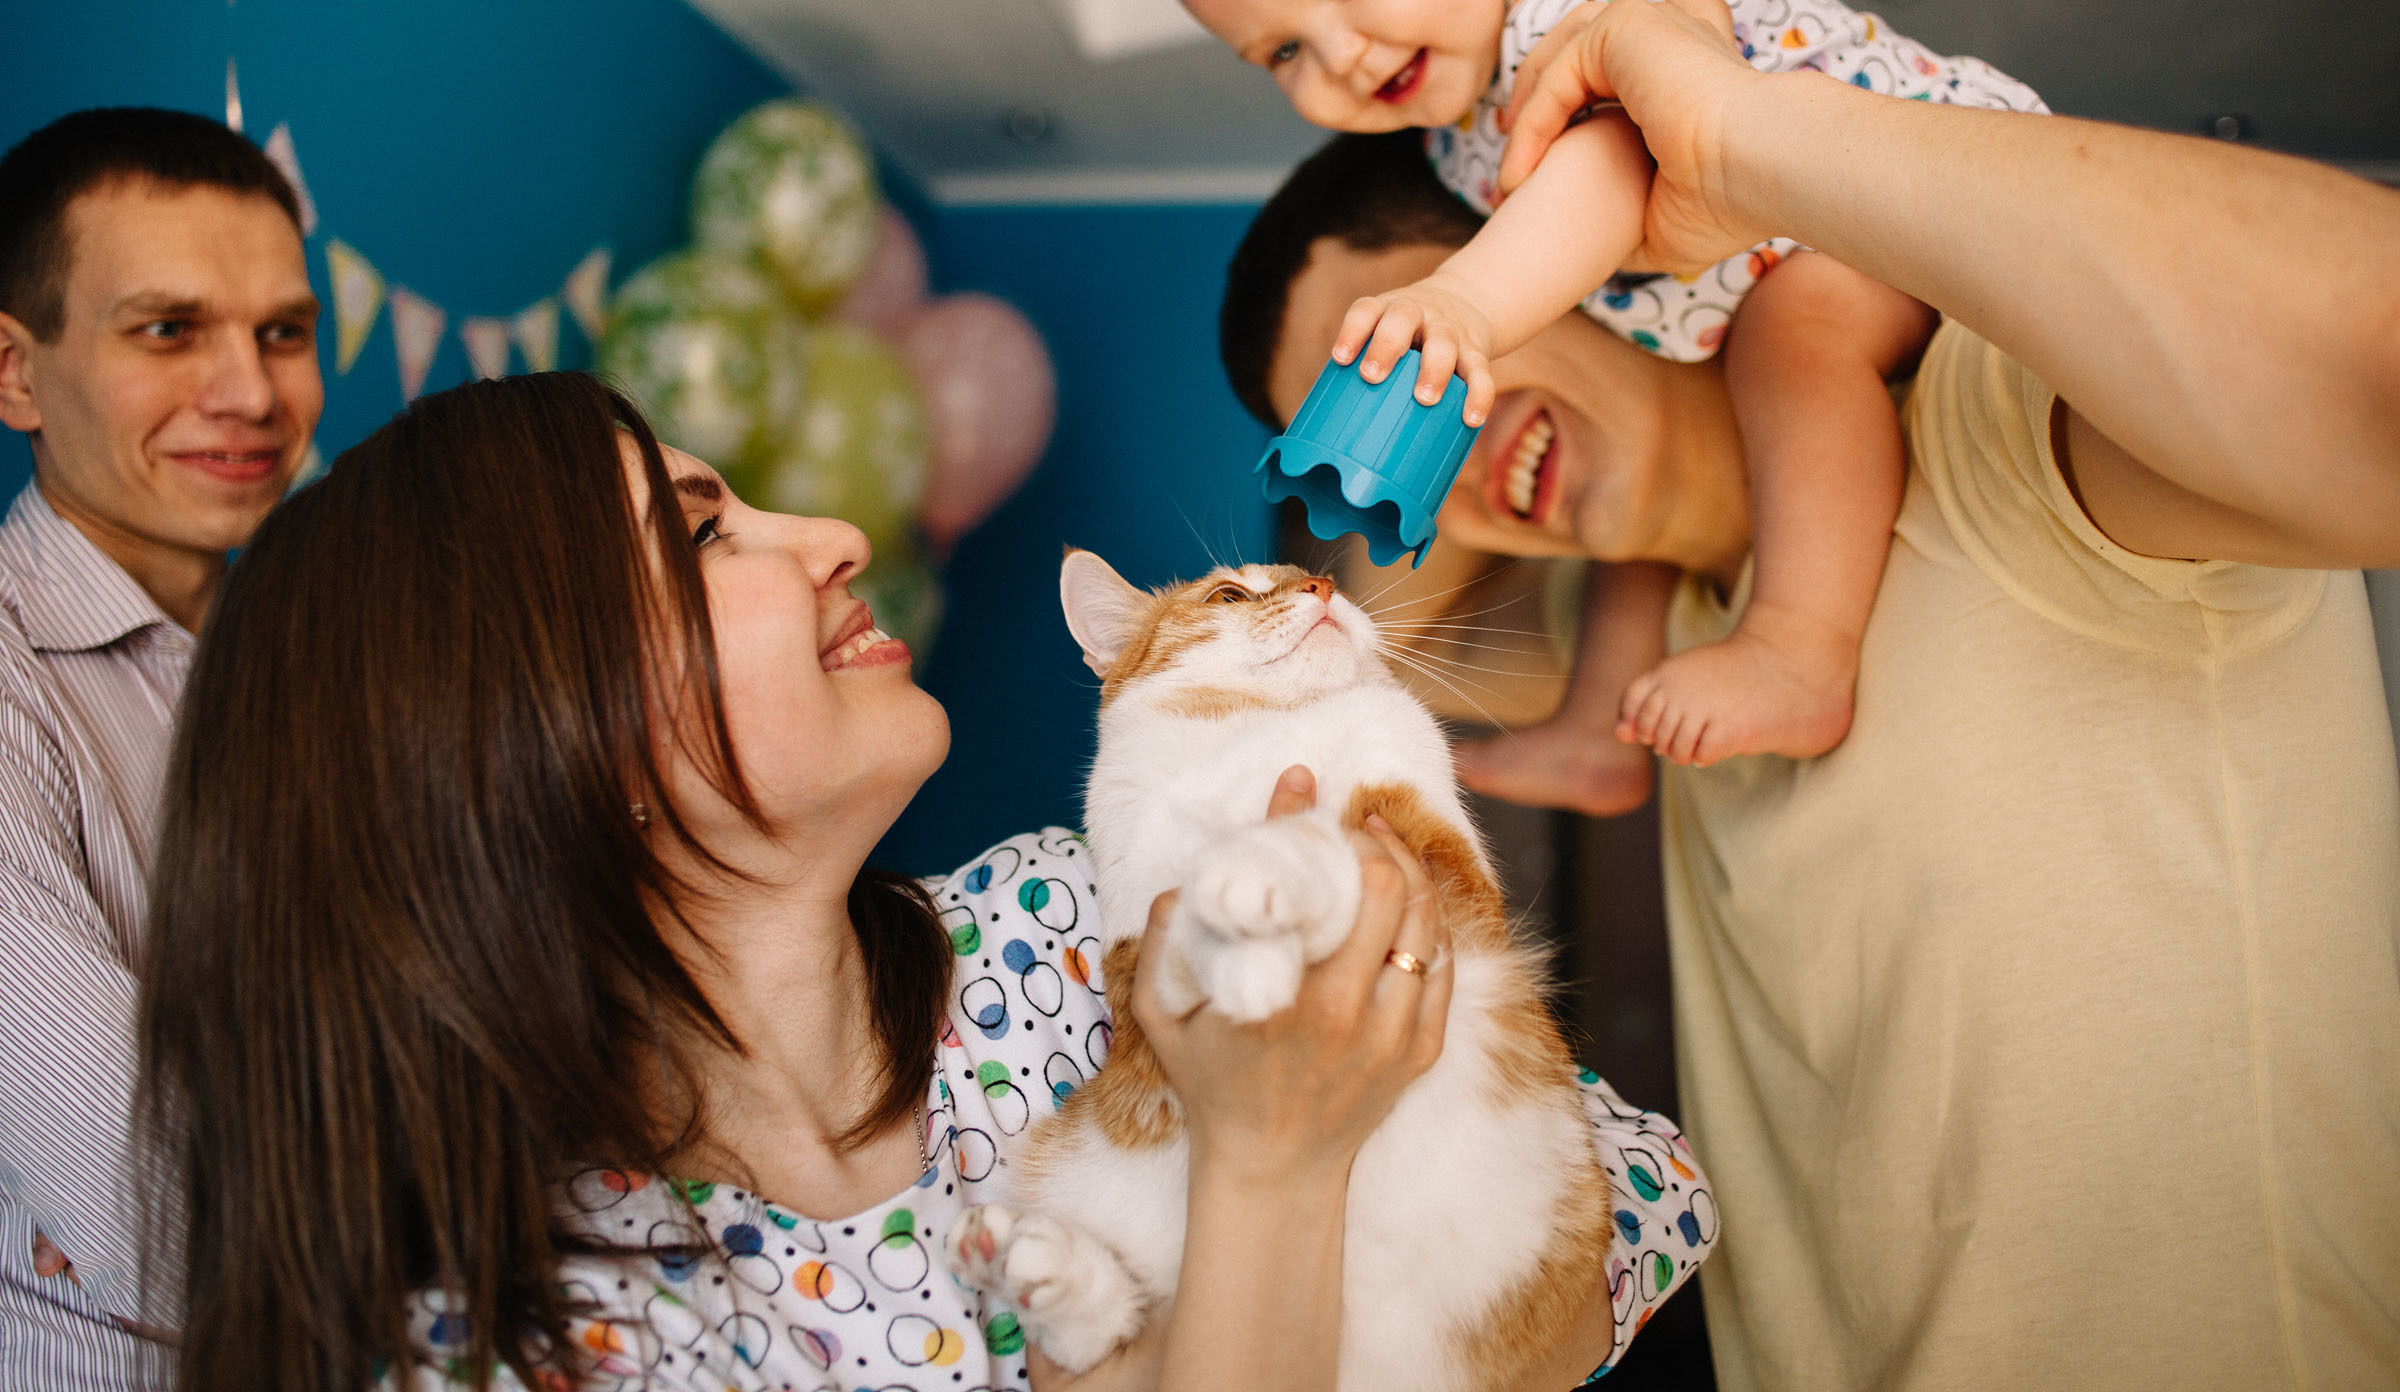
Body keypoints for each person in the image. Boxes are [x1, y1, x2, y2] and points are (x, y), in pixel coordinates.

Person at [1220, 0, 2400, 1388]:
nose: (1434, 419)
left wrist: (1734, 137)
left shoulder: (1999, 426)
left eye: (1425, 334)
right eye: (1374, 414)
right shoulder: (1700, 644)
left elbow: (2374, 361)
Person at [135, 371, 1634, 1391]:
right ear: (528, 735)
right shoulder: (525, 1346)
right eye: (704, 532)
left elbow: (1613, 1222)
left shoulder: (1066, 921)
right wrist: (1272, 1165)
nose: (841, 538)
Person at [1153, 0, 2048, 806]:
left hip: (1890, 209)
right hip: (1753, 267)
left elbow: (1620, 164)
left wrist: (1466, 306)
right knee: (1641, 522)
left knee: (1789, 337)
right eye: (1283, 51)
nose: (1340, 55)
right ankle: (1595, 726)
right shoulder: (1455, 126)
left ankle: (1802, 643)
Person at [0, 106, 321, 1385]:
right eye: (167, 329)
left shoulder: (333, 659)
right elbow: (156, 1193)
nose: (250, 392)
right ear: (16, 369)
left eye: (283, 333)